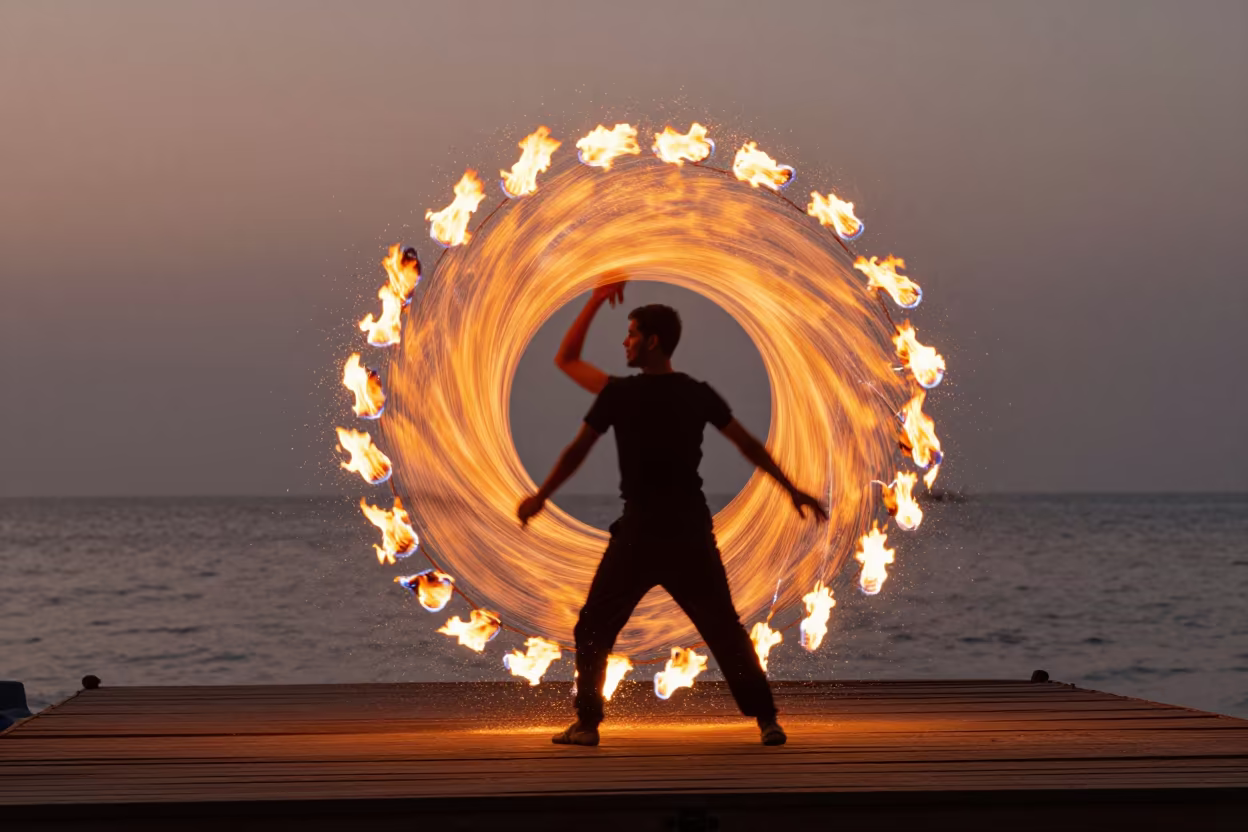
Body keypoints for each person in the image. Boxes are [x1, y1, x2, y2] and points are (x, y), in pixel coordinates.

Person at [517, 277, 828, 747]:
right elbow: (747, 446)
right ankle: (767, 720)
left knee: (595, 627)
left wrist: (542, 497)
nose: (624, 342)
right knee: (723, 630)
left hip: (642, 530)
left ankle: (586, 726)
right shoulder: (694, 393)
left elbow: (574, 438)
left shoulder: (619, 394)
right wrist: (791, 490)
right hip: (687, 527)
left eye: (631, 333)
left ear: (652, 341)